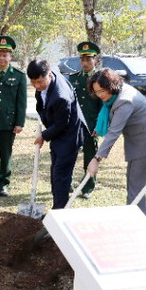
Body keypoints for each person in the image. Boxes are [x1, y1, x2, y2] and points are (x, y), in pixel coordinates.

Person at [85, 68, 146, 213]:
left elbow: (114, 133)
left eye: (102, 91)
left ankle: (136, 221)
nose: (99, 95)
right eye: (96, 92)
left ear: (111, 85)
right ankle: (132, 215)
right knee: (132, 180)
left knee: (136, 184)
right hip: (138, 138)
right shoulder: (117, 93)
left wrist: (96, 159)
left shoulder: (124, 100)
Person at [28, 59, 89, 211]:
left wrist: (43, 135)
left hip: (69, 136)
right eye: (33, 82)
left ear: (49, 75)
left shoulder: (60, 96)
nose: (37, 86)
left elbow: (62, 124)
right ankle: (58, 203)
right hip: (57, 133)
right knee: (55, 171)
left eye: (40, 82)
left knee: (61, 175)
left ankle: (59, 211)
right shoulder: (49, 75)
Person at [0, 35, 26, 197]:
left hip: (8, 122)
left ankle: (3, 184)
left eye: (5, 55)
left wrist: (19, 123)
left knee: (6, 155)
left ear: (11, 56)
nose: (1, 58)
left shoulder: (19, 76)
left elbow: (21, 102)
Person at [68, 41, 103, 199]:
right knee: (68, 154)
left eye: (88, 59)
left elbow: (104, 107)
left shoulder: (101, 79)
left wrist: (99, 126)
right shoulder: (73, 78)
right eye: (82, 60)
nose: (85, 63)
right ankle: (67, 183)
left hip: (91, 126)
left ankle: (88, 187)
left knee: (90, 156)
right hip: (74, 125)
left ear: (95, 60)